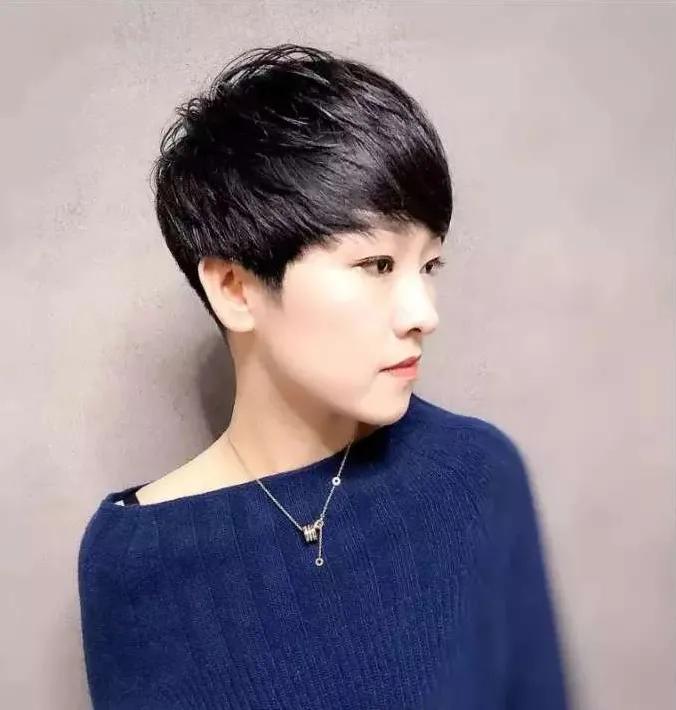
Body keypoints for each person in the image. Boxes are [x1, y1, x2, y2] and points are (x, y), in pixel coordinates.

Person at [77, 43, 569, 709]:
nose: (424, 314)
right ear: (235, 288)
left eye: (429, 265)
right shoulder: (135, 560)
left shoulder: (478, 476)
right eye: (376, 265)